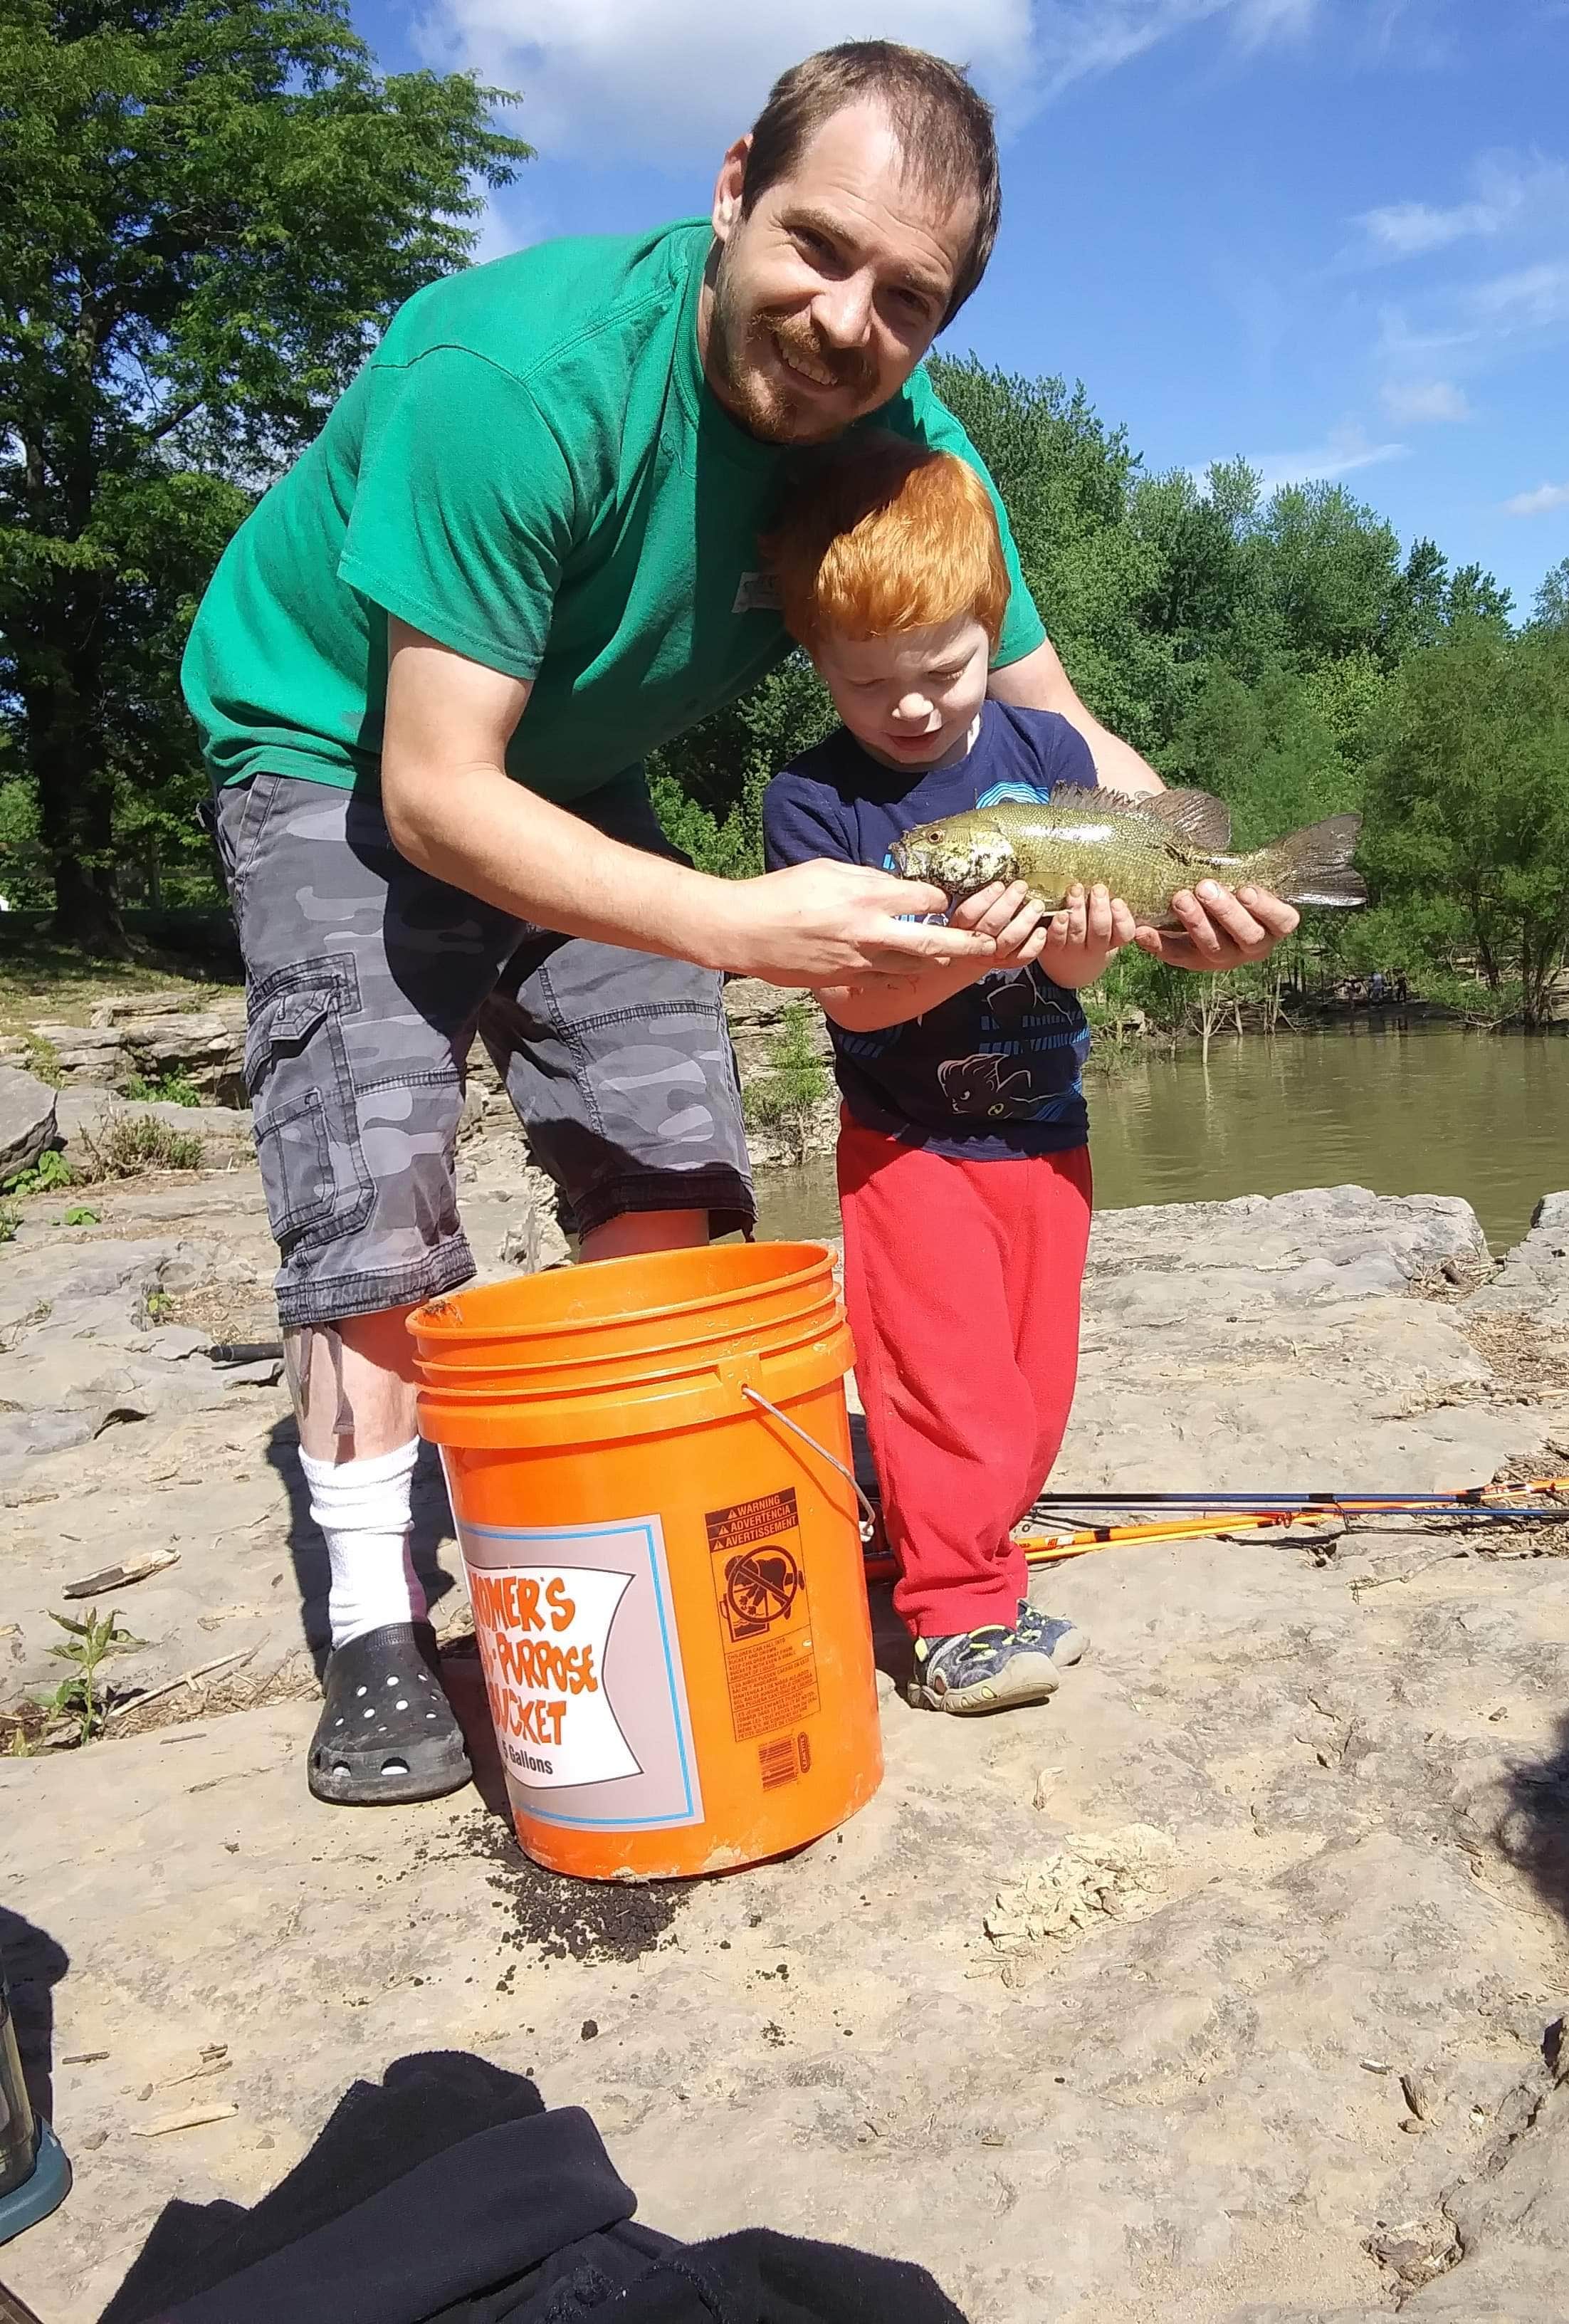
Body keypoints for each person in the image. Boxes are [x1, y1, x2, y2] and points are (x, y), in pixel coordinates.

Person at [182, 40, 1293, 1803]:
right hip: (341, 743)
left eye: (907, 297)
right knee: (378, 1184)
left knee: (677, 1170)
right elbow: (434, 795)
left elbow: (1070, 732)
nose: (849, 317)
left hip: (577, 760)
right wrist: (738, 923)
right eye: (820, 247)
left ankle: (638, 1489)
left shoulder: (904, 455)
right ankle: (382, 1622)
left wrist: (1187, 871)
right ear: (729, 191)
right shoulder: (515, 378)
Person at [761, 436, 1297, 1712]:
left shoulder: (1054, 752)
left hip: (1049, 1131)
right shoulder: (812, 802)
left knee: (1028, 1385)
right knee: (942, 1382)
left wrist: (1088, 956)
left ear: (988, 630)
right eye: (865, 681)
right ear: (817, 664)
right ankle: (956, 1616)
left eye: (941, 669)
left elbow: (1077, 971)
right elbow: (847, 988)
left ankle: (951, 1532)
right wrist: (962, 957)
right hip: (909, 1145)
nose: (909, 707)